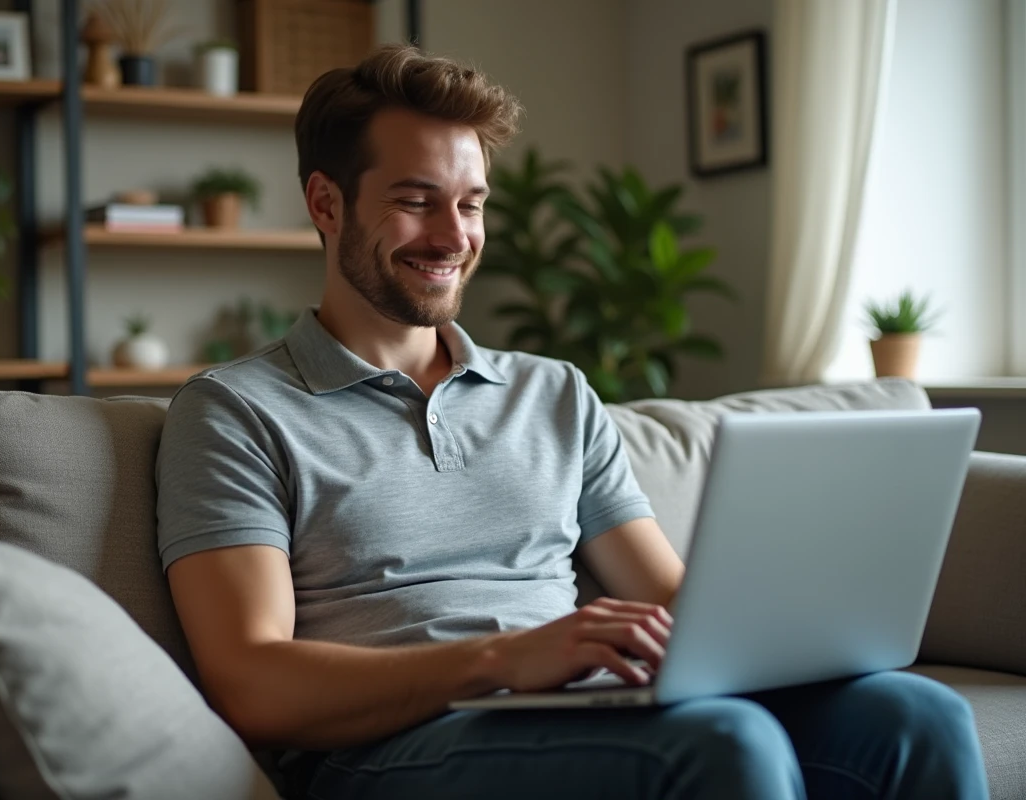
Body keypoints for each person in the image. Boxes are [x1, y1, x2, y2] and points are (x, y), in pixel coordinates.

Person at [156, 44, 988, 800]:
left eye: (472, 204)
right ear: (325, 202)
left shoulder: (552, 393)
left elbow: (670, 600)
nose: (454, 237)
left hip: (582, 713)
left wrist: (806, 616)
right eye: (417, 201)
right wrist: (503, 660)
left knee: (917, 717)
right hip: (394, 747)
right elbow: (253, 682)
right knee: (723, 745)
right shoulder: (236, 411)